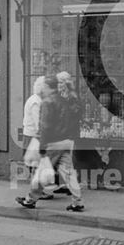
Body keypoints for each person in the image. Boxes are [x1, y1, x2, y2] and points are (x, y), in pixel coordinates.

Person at [16, 74, 85, 212]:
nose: (43, 89)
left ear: (47, 87)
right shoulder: (64, 100)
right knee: (69, 174)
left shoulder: (48, 102)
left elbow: (45, 126)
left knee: (41, 173)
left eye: (44, 87)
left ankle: (30, 200)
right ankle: (77, 202)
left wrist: (42, 146)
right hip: (66, 141)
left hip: (53, 143)